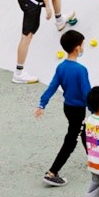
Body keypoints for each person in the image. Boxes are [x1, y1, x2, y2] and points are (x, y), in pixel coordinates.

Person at [35, 29, 90, 186]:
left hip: (68, 108)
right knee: (71, 140)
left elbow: (52, 87)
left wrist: (42, 104)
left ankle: (93, 159)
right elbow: (87, 93)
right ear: (77, 48)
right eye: (82, 45)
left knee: (83, 131)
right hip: (79, 109)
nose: (83, 48)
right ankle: (52, 172)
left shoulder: (61, 67)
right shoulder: (81, 70)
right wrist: (96, 111)